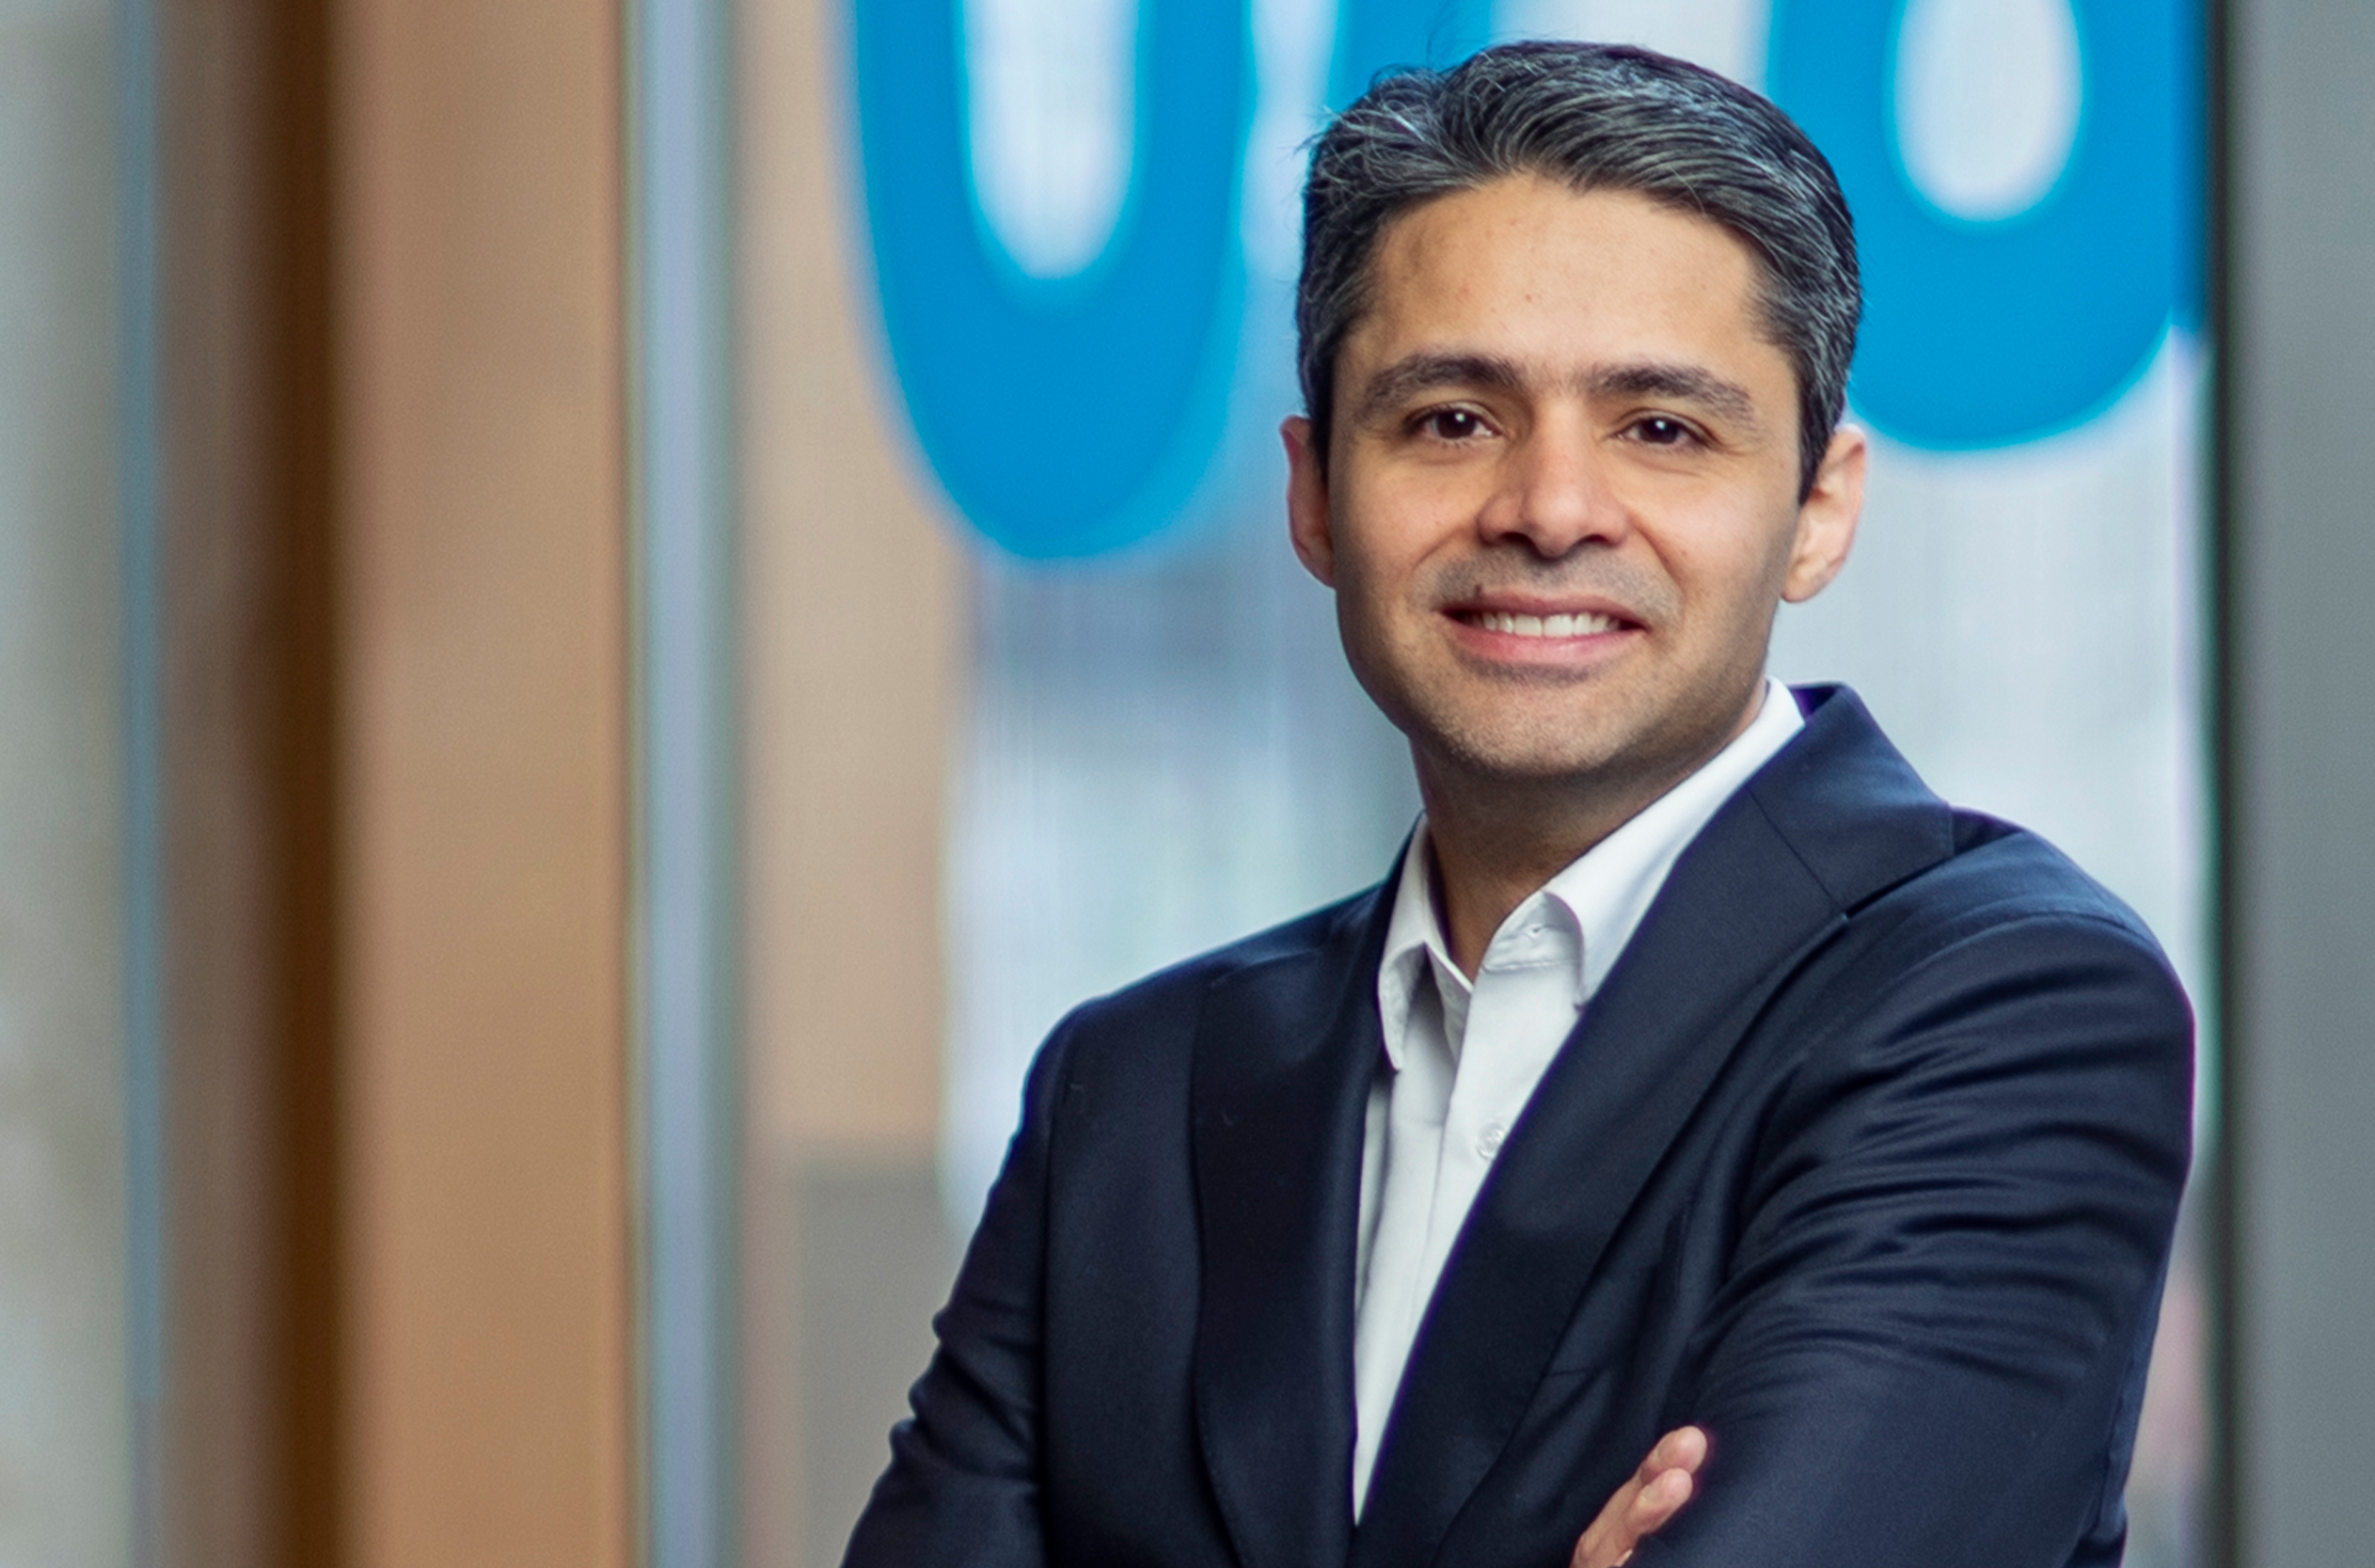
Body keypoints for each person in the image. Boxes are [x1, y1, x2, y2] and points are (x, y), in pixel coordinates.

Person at [841, 40, 2193, 1568]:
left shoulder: (2008, 1008)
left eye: (1661, 428)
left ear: (1819, 510)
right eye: (1451, 420)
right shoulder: (1136, 1091)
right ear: (1314, 495)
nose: (1548, 510)